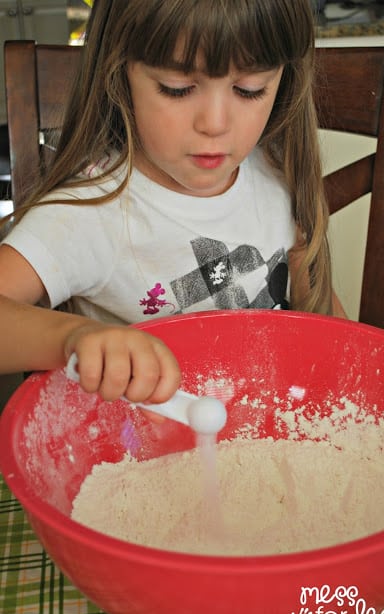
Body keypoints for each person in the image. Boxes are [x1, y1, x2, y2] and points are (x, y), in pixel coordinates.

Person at [0, 0, 345, 405]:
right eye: (177, 89)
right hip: (141, 453)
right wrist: (74, 338)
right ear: (119, 72)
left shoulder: (276, 171)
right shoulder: (89, 213)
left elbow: (324, 323)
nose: (214, 124)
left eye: (249, 89)